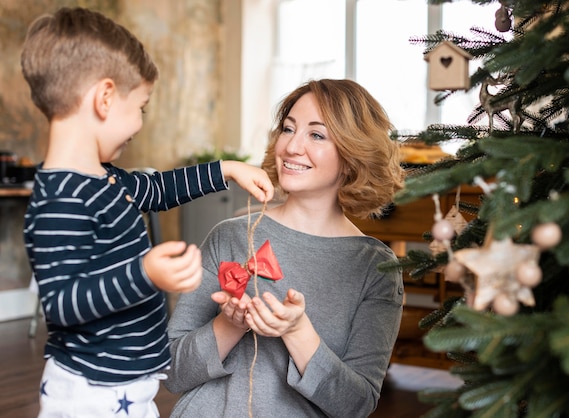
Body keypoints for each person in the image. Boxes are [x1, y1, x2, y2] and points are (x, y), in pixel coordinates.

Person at [20, 7, 273, 418]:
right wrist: (144, 274)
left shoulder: (107, 179)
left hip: (125, 384)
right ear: (104, 98)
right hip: (92, 389)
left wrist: (226, 169)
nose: (140, 122)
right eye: (141, 106)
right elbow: (63, 304)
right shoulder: (60, 200)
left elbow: (158, 188)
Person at [165, 79, 406, 417]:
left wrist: (297, 332)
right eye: (288, 129)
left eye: (316, 135)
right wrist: (229, 325)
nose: (292, 147)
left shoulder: (375, 268)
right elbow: (172, 371)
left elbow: (356, 405)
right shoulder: (229, 236)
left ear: (352, 156)